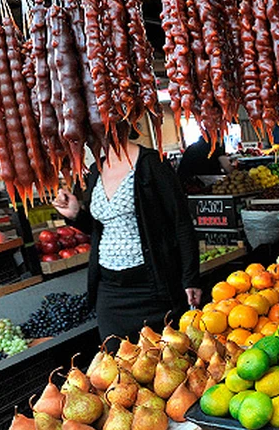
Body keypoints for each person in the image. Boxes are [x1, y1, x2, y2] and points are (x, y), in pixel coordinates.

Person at [53, 127, 201, 344]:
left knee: (165, 361)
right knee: (116, 363)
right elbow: (101, 230)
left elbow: (182, 223)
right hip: (110, 292)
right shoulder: (95, 170)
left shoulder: (152, 164)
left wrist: (190, 278)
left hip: (152, 287)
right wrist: (76, 214)